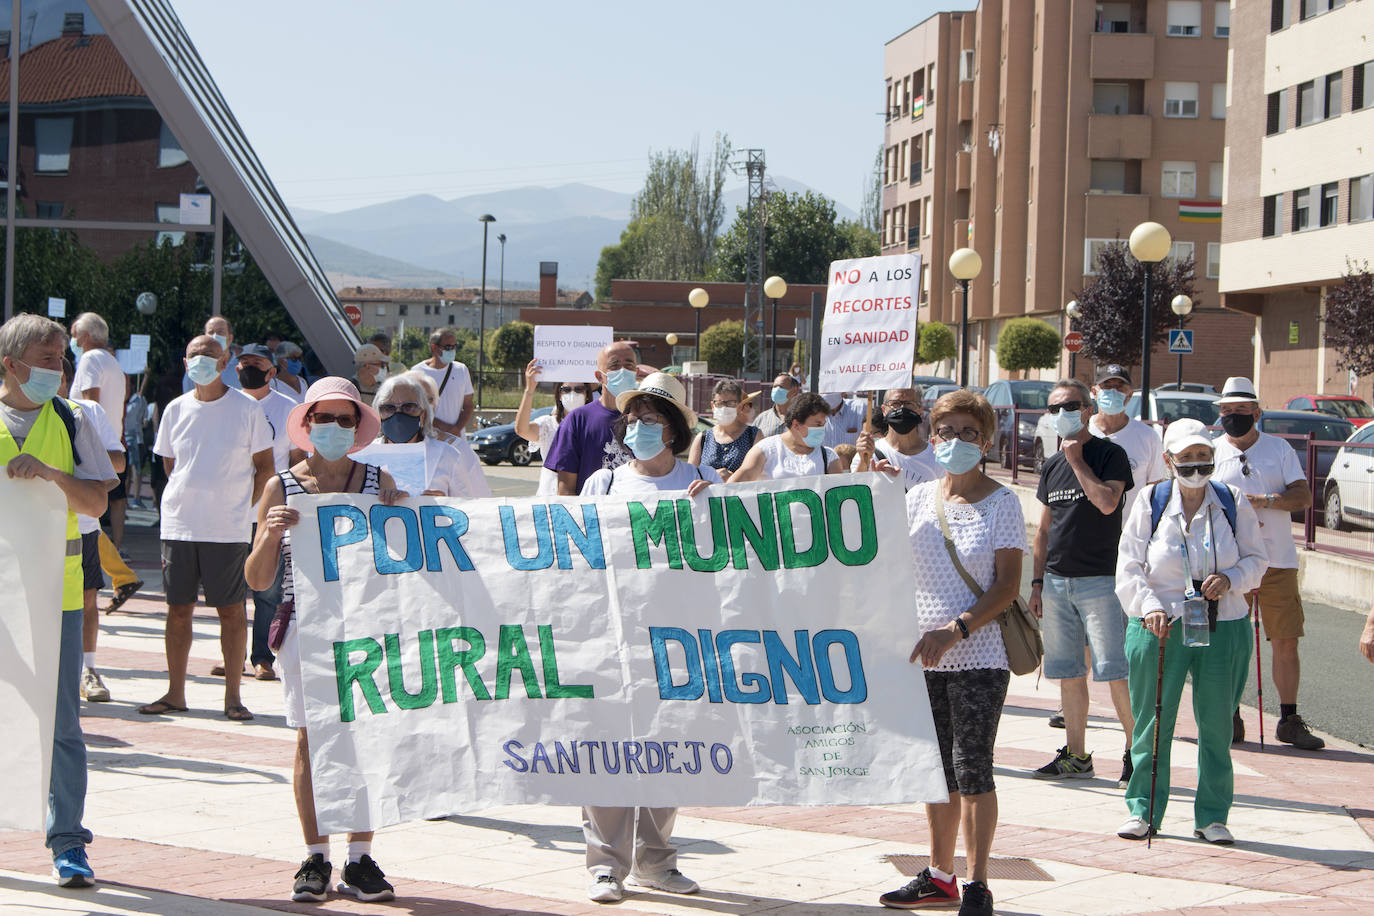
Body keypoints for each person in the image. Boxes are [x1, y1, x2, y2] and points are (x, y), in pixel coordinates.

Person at [245, 378, 405, 904]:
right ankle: (315, 854)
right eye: (325, 418)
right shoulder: (281, 486)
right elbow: (256, 578)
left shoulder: (379, 481)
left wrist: (402, 512)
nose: (334, 428)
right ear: (307, 422)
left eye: (345, 419)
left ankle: (360, 859)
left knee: (370, 739)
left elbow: (413, 552)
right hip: (306, 625)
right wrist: (270, 531)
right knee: (310, 742)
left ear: (358, 427)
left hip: (370, 626)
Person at [878, 390, 1023, 916]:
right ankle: (940, 876)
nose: (956, 441)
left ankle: (979, 882)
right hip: (924, 658)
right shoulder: (917, 497)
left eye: (968, 433)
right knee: (935, 770)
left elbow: (1006, 586)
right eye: (946, 431)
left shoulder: (1003, 503)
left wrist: (954, 631)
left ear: (985, 442)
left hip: (978, 656)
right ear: (932, 437)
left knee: (973, 768)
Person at [579, 372, 715, 903]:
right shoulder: (604, 485)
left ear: (675, 429)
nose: (638, 427)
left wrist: (715, 510)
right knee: (608, 748)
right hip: (612, 636)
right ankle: (605, 864)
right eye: (632, 418)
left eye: (652, 419)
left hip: (682, 640)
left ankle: (655, 862)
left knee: (669, 749)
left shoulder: (704, 481)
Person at [1, 314, 117, 888]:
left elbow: (96, 503)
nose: (59, 369)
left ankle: (68, 842)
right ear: (10, 363)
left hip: (59, 596)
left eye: (61, 359)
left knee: (62, 727)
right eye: (48, 359)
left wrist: (50, 474)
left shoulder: (73, 420)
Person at [1115, 419, 1267, 844]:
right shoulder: (1151, 499)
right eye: (1186, 459)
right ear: (1168, 461)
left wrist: (1233, 578)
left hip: (1225, 623)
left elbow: (1258, 560)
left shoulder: (1232, 499)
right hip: (1159, 626)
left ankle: (1213, 816)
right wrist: (1149, 607)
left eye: (1203, 457)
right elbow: (1128, 566)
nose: (1196, 466)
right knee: (1152, 722)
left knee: (1217, 723)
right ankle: (1143, 811)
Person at [138, 335, 274, 721]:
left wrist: (239, 509)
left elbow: (264, 467)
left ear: (226, 360)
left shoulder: (246, 408)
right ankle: (175, 692)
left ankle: (233, 697)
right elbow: (170, 465)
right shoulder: (175, 410)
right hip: (180, 525)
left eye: (210, 355)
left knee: (231, 612)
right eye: (195, 356)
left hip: (227, 530)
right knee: (177, 610)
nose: (202, 361)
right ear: (185, 362)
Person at [1029, 379, 1136, 787]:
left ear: (1089, 409)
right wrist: (1037, 584)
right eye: (1054, 408)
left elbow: (1108, 502)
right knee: (1068, 673)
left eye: (1070, 406)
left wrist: (1077, 461)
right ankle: (1076, 755)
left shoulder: (1110, 454)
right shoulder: (1050, 465)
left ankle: (1134, 752)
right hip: (1056, 583)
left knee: (1114, 672)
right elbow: (1043, 530)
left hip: (1102, 581)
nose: (1062, 414)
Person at [1211, 377, 1322, 749]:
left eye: (1242, 410)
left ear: (1257, 413)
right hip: (1230, 563)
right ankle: (1230, 714)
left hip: (1278, 561)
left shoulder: (1280, 449)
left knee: (1286, 640)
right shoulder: (1210, 451)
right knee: (1229, 641)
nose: (1234, 416)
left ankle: (1289, 719)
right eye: (1227, 410)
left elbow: (1303, 495)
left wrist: (1267, 501)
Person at [58, 358, 126, 704]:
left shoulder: (85, 412)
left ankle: (87, 668)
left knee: (85, 601)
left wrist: (82, 452)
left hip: (82, 524)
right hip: (31, 526)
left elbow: (118, 461)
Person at [238, 344, 302, 681]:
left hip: (269, 513)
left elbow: (296, 461)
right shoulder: (229, 404)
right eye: (244, 363)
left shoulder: (288, 409)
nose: (248, 368)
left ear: (271, 371)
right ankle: (232, 656)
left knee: (267, 591)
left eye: (256, 364)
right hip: (231, 512)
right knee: (232, 590)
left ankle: (262, 656)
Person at [374, 371, 491, 497]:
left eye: (409, 407)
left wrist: (441, 506)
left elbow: (477, 506)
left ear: (423, 414)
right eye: (388, 408)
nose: (398, 415)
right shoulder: (364, 457)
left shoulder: (450, 455)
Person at [546, 340, 638, 495]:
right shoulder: (577, 421)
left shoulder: (648, 419)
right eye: (614, 366)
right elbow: (566, 490)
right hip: (594, 517)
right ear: (599, 376)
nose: (622, 371)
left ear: (636, 371)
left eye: (629, 366)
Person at [70, 312, 128, 547]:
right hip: (110, 446)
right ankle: (119, 571)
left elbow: (89, 403)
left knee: (82, 519)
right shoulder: (112, 362)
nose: (72, 341)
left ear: (84, 336)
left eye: (73, 335)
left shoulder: (89, 359)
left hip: (92, 448)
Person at [1089, 365, 1164, 512]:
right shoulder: (1081, 433)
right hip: (1086, 530)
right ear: (1094, 392)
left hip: (1130, 531)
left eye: (1119, 387)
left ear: (1129, 394)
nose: (1113, 392)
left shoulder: (1148, 437)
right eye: (1107, 387)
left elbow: (1154, 488)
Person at [514, 359, 593, 497]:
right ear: (559, 395)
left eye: (579, 389)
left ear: (587, 395)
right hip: (550, 497)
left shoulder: (594, 425)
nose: (572, 394)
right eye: (566, 390)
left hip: (585, 496)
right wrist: (529, 389)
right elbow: (522, 430)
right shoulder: (548, 425)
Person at [732, 393, 844, 482]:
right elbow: (734, 486)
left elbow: (839, 496)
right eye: (818, 424)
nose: (822, 429)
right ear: (796, 425)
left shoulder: (829, 457)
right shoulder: (764, 451)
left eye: (823, 425)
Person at [853, 386, 941, 489]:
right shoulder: (868, 453)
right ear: (884, 410)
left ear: (920, 410)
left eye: (909, 404)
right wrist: (864, 462)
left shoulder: (936, 457)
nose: (902, 409)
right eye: (895, 403)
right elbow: (855, 493)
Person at [688, 379, 762, 481]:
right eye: (719, 403)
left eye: (731, 403)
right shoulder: (702, 438)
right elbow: (690, 476)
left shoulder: (754, 435)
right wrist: (713, 478)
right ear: (713, 406)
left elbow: (760, 473)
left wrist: (730, 478)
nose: (724, 408)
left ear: (740, 406)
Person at [410, 329, 475, 438]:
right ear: (434, 348)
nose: (452, 350)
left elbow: (468, 405)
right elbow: (415, 410)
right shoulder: (416, 372)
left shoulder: (461, 370)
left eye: (455, 346)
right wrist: (445, 427)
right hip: (428, 440)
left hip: (455, 440)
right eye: (448, 347)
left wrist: (457, 429)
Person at [182, 316, 242, 392]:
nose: (215, 336)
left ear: (230, 338)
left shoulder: (241, 367)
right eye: (210, 332)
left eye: (220, 332)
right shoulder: (197, 365)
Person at [124, 379, 148, 507]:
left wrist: (146, 377)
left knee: (134, 469)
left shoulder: (134, 402)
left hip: (133, 438)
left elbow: (141, 392)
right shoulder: (127, 403)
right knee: (130, 470)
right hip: (127, 438)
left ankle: (135, 497)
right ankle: (130, 498)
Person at [753, 373, 800, 438]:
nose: (776, 390)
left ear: (794, 391)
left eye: (781, 387)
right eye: (774, 387)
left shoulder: (802, 418)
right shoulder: (761, 419)